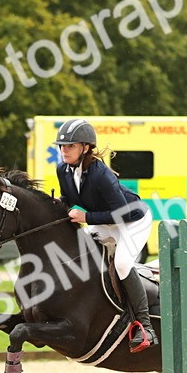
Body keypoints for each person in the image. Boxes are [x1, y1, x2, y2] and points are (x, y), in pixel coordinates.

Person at [53, 118, 157, 352]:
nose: (64, 150)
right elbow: (68, 199)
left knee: (122, 263)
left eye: (70, 146)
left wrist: (86, 217)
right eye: (62, 146)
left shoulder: (100, 174)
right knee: (80, 250)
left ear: (85, 147)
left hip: (133, 220)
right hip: (105, 221)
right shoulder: (63, 170)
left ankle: (145, 326)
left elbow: (122, 214)